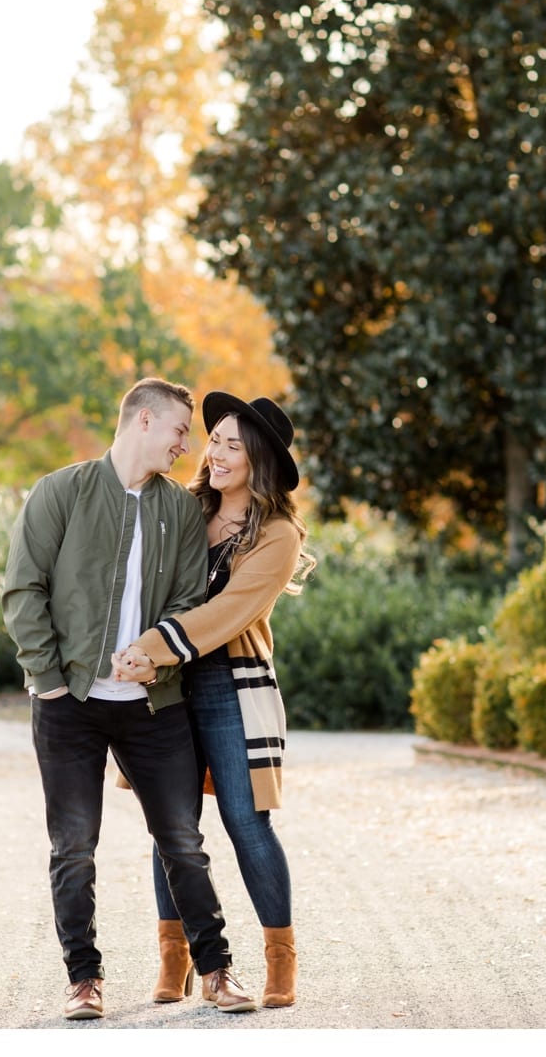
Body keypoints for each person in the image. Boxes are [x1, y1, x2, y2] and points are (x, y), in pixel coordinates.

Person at [2, 378, 259, 1021]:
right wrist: (50, 678)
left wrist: (153, 653)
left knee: (181, 839)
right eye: (178, 430)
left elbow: (187, 601)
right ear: (143, 421)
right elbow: (23, 589)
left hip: (154, 703)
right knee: (74, 846)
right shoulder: (61, 491)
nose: (185, 445)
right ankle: (83, 980)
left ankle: (217, 971)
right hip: (69, 701)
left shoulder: (178, 511)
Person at [112, 392, 316, 1010]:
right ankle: (174, 960)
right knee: (171, 826)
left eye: (235, 444)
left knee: (246, 822)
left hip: (232, 686)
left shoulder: (277, 535)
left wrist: (153, 644)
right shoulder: (183, 507)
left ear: (260, 460)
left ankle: (280, 959)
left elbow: (229, 612)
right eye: (216, 440)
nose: (219, 453)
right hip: (169, 687)